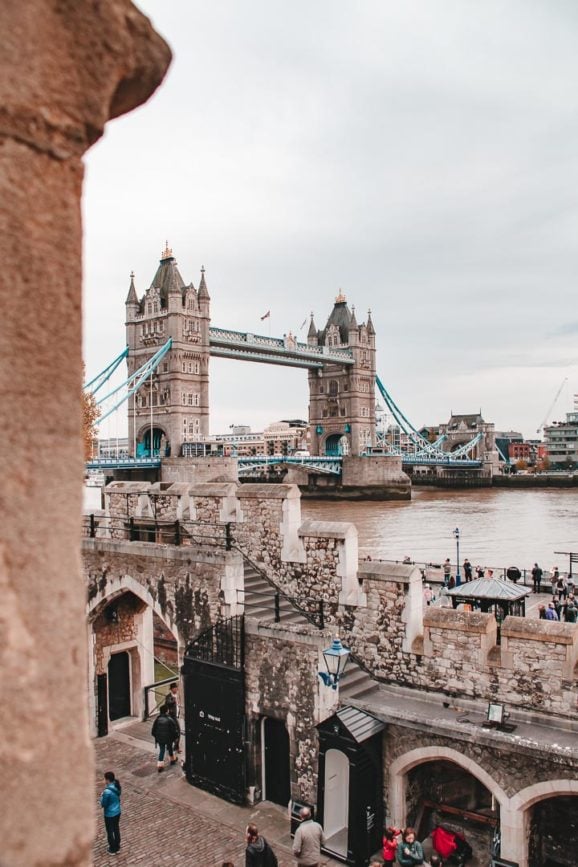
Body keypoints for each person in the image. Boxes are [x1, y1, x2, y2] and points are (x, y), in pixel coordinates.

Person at [151, 704, 179, 772]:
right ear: (167, 711)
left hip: (160, 738)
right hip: (169, 738)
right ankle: (172, 759)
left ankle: (160, 765)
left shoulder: (157, 719)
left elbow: (153, 731)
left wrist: (157, 736)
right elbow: (174, 730)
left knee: (162, 750)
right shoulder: (170, 719)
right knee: (170, 748)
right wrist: (176, 737)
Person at [99, 771, 121, 855]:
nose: (103, 780)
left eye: (104, 779)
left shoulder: (107, 792)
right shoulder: (117, 785)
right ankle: (117, 846)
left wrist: (101, 796)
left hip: (109, 814)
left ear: (107, 780)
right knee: (116, 829)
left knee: (110, 831)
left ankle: (112, 848)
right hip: (118, 811)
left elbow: (103, 804)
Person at [165, 682, 180, 752]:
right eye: (175, 688)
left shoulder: (177, 695)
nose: (177, 689)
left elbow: (177, 705)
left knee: (173, 732)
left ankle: (174, 746)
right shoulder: (168, 696)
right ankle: (175, 746)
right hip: (171, 717)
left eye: (177, 687)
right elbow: (168, 703)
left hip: (176, 716)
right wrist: (174, 699)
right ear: (172, 689)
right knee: (177, 731)